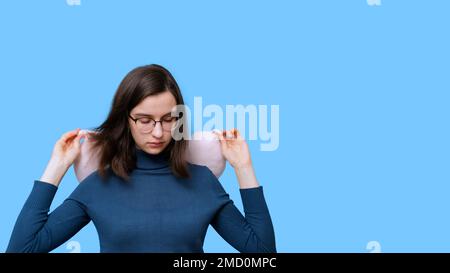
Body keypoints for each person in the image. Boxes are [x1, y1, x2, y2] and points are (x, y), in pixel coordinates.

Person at [6, 64, 276, 253]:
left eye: (168, 119)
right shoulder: (99, 184)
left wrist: (243, 166)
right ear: (126, 119)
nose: (158, 132)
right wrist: (57, 166)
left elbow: (263, 254)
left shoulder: (202, 181)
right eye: (145, 120)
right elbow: (22, 248)